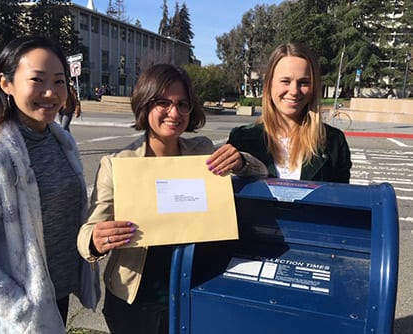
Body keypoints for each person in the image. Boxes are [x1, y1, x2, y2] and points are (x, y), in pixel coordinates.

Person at [77, 63, 267, 334]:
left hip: (192, 290)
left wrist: (240, 161)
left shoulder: (201, 152)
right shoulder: (118, 164)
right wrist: (96, 241)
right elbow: (87, 233)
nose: (174, 112)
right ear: (145, 104)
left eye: (182, 104)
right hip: (135, 298)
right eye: (163, 102)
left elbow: (260, 172)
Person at [0, 35, 99, 334]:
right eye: (37, 80)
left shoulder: (61, 140)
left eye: (59, 81)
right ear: (6, 83)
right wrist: (20, 307)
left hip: (57, 291)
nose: (50, 92)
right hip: (25, 307)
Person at [227, 42, 352, 183]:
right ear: (269, 85)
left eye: (304, 82)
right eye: (285, 81)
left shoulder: (334, 142)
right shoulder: (241, 138)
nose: (294, 91)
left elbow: (341, 198)